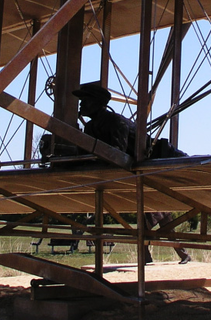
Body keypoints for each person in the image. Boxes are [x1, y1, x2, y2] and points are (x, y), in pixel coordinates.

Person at [72, 81, 191, 264]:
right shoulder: (90, 127)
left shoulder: (115, 122)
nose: (81, 104)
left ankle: (151, 256)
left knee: (153, 210)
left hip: (157, 162)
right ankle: (167, 255)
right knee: (158, 212)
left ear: (97, 103)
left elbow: (118, 153)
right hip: (139, 170)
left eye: (85, 100)